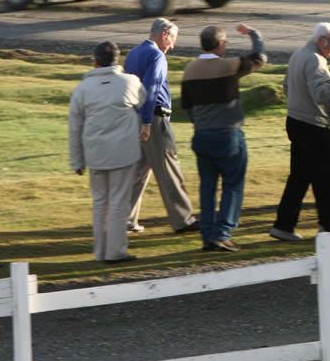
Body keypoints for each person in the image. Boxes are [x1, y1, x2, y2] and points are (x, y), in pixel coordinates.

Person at [269, 23, 330, 243]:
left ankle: (283, 226)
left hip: (296, 121)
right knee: (327, 178)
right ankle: (329, 227)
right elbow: (322, 94)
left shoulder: (299, 54)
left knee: (299, 178)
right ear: (323, 40)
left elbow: (286, 86)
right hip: (313, 126)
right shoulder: (315, 60)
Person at [181, 23, 266, 252]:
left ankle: (207, 235)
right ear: (219, 45)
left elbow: (187, 106)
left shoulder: (189, 70)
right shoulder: (230, 65)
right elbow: (260, 58)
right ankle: (222, 232)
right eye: (225, 42)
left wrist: (202, 123)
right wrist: (253, 34)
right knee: (232, 185)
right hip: (228, 134)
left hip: (201, 136)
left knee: (207, 188)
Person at [69, 41, 146, 264]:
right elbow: (143, 100)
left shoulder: (83, 89)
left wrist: (76, 159)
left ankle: (100, 251)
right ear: (117, 60)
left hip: (95, 153)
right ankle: (115, 251)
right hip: (124, 152)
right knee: (119, 203)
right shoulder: (130, 82)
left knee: (100, 202)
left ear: (95, 61)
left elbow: (75, 127)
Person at [125, 18, 199, 234]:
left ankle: (124, 220)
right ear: (165, 33)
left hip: (135, 117)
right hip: (153, 119)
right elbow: (152, 88)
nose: (173, 46)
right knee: (169, 170)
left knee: (137, 173)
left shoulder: (133, 53)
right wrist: (147, 122)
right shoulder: (157, 55)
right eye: (173, 39)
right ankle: (183, 220)